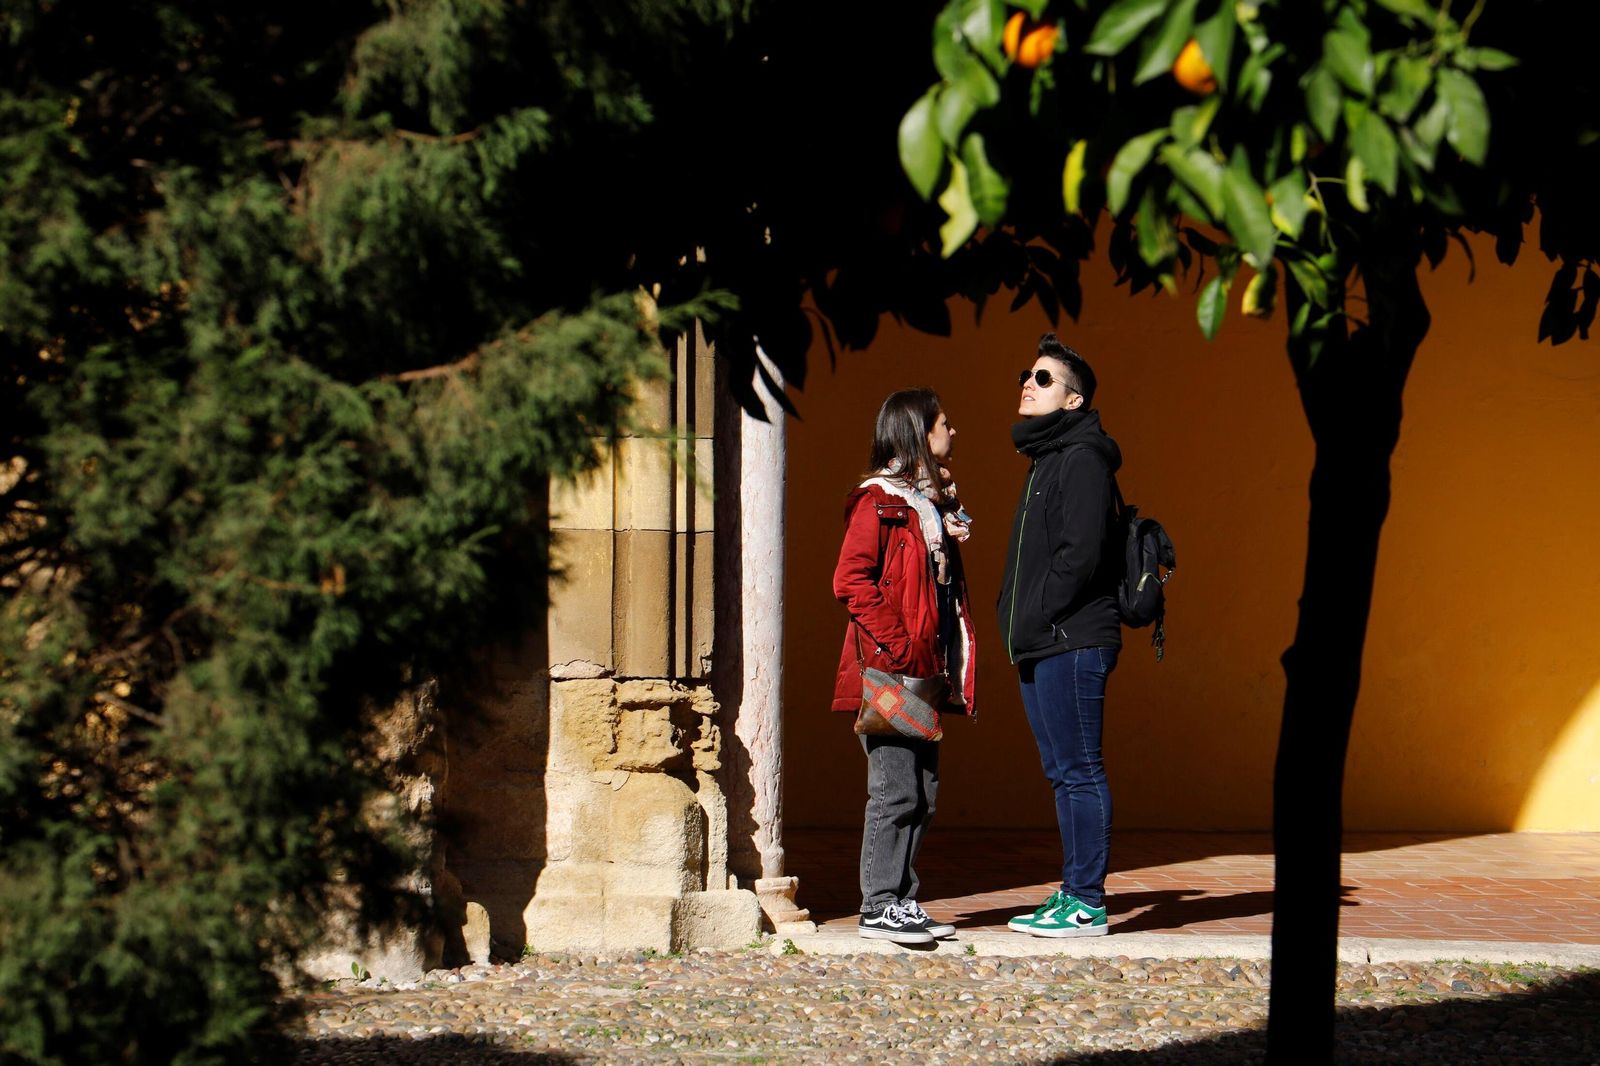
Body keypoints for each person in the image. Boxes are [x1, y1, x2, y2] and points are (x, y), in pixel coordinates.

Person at [831, 387, 976, 945]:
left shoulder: (923, 504)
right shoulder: (878, 501)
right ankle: (879, 905)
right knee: (895, 790)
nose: (953, 432)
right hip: (891, 672)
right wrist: (899, 646)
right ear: (918, 431)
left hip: (923, 671)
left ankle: (902, 900)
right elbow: (851, 581)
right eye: (944, 423)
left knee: (924, 792)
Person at [996, 333, 1122, 938]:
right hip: (1044, 639)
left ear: (1074, 399)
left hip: (1071, 638)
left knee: (1079, 769)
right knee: (1063, 771)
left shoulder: (1083, 458)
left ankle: (1086, 901)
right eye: (1028, 373)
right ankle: (1074, 889)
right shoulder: (1049, 458)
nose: (1029, 383)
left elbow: (1080, 555)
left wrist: (1035, 614)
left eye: (1044, 378)